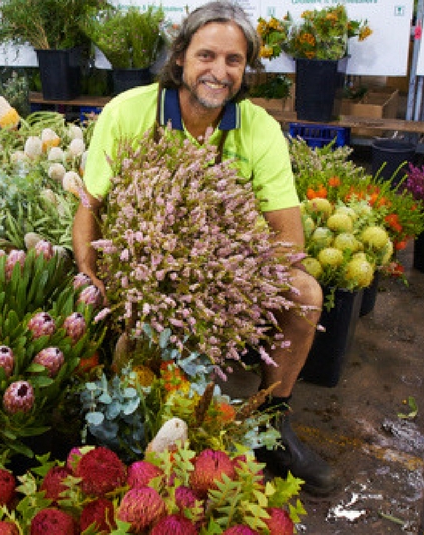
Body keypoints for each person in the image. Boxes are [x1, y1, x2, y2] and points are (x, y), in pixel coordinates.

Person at [72, 0, 336, 496]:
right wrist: (90, 267)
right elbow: (90, 204)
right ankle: (131, 426)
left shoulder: (259, 128)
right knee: (116, 325)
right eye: (206, 56)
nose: (219, 72)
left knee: (305, 294)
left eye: (233, 61)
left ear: (246, 69)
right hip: (133, 269)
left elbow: (288, 237)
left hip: (215, 277)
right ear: (180, 59)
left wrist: (219, 290)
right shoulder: (129, 112)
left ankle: (269, 422)